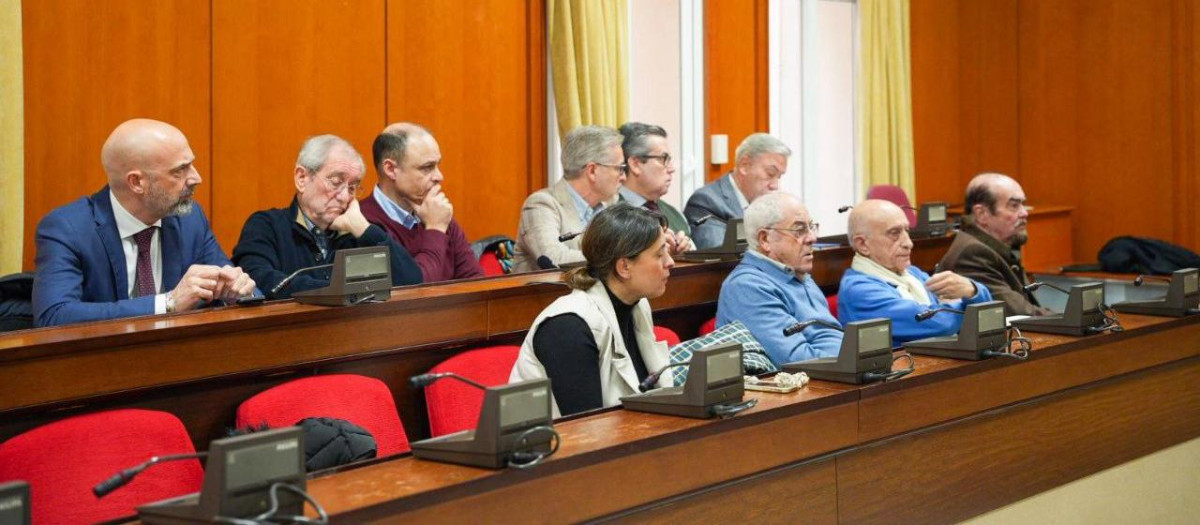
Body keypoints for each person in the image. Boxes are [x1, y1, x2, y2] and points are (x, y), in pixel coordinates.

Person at [32, 119, 256, 327]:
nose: (196, 178)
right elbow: (54, 315)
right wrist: (168, 303)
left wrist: (239, 292)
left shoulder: (189, 219)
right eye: (179, 170)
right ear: (137, 182)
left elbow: (235, 286)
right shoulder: (68, 229)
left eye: (191, 165)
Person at [509, 203, 675, 417]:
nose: (670, 262)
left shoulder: (637, 304)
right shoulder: (568, 326)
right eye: (659, 255)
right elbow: (586, 426)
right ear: (624, 267)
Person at [231, 135, 422, 299]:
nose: (345, 196)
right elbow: (259, 280)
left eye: (352, 187)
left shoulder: (357, 235)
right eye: (336, 182)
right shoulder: (266, 226)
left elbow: (411, 282)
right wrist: (340, 291)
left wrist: (364, 229)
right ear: (302, 178)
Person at [838, 199, 992, 346]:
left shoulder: (912, 273)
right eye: (894, 233)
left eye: (907, 231)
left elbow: (988, 313)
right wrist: (965, 305)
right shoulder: (859, 289)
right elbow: (939, 324)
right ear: (863, 244)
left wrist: (972, 291)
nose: (909, 243)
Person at [717, 192, 841, 366]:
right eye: (799, 230)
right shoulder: (747, 286)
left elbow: (830, 338)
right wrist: (851, 360)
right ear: (765, 239)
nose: (812, 238)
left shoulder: (798, 273)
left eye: (811, 226)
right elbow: (799, 361)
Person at [360, 123, 484, 283]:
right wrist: (435, 229)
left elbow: (476, 284)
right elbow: (414, 290)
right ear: (390, 169)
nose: (439, 176)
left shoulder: (437, 213)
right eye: (427, 167)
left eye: (437, 165)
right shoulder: (364, 226)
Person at [512, 125, 627, 272]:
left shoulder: (612, 204)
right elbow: (554, 258)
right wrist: (618, 259)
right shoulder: (542, 204)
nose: (623, 177)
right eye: (619, 168)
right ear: (592, 171)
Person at [940, 173, 1052, 316]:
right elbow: (1017, 314)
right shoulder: (973, 253)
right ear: (981, 214)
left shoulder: (994, 246)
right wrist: (1068, 319)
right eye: (1014, 206)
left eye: (1023, 204)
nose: (1024, 213)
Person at [683, 133, 791, 249]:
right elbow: (721, 254)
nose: (775, 186)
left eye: (779, 177)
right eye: (770, 174)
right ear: (744, 165)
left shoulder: (768, 206)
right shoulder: (707, 201)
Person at [617, 122, 692, 255]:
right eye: (663, 159)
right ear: (635, 164)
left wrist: (685, 250)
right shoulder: (610, 213)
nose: (672, 169)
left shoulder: (675, 214)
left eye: (670, 160)